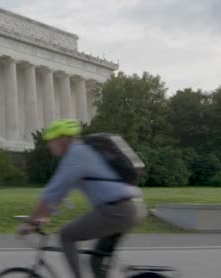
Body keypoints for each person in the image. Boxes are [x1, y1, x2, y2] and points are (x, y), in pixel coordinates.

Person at [16, 119, 147, 278]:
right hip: (130, 208)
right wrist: (42, 218)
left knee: (66, 235)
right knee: (96, 263)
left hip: (116, 211)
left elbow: (51, 193)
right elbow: (60, 195)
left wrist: (30, 222)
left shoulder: (76, 155)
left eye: (52, 141)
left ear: (63, 139)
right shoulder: (84, 152)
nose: (49, 145)